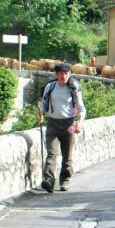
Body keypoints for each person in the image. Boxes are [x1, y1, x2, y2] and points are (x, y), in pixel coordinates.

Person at [37, 63, 86, 193]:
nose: (63, 76)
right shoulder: (50, 87)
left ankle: (64, 181)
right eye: (60, 74)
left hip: (69, 124)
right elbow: (44, 103)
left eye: (66, 73)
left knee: (67, 155)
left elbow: (81, 108)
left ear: (69, 74)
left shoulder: (74, 88)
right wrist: (41, 113)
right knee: (52, 153)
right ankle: (48, 181)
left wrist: (80, 123)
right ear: (56, 74)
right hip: (52, 123)